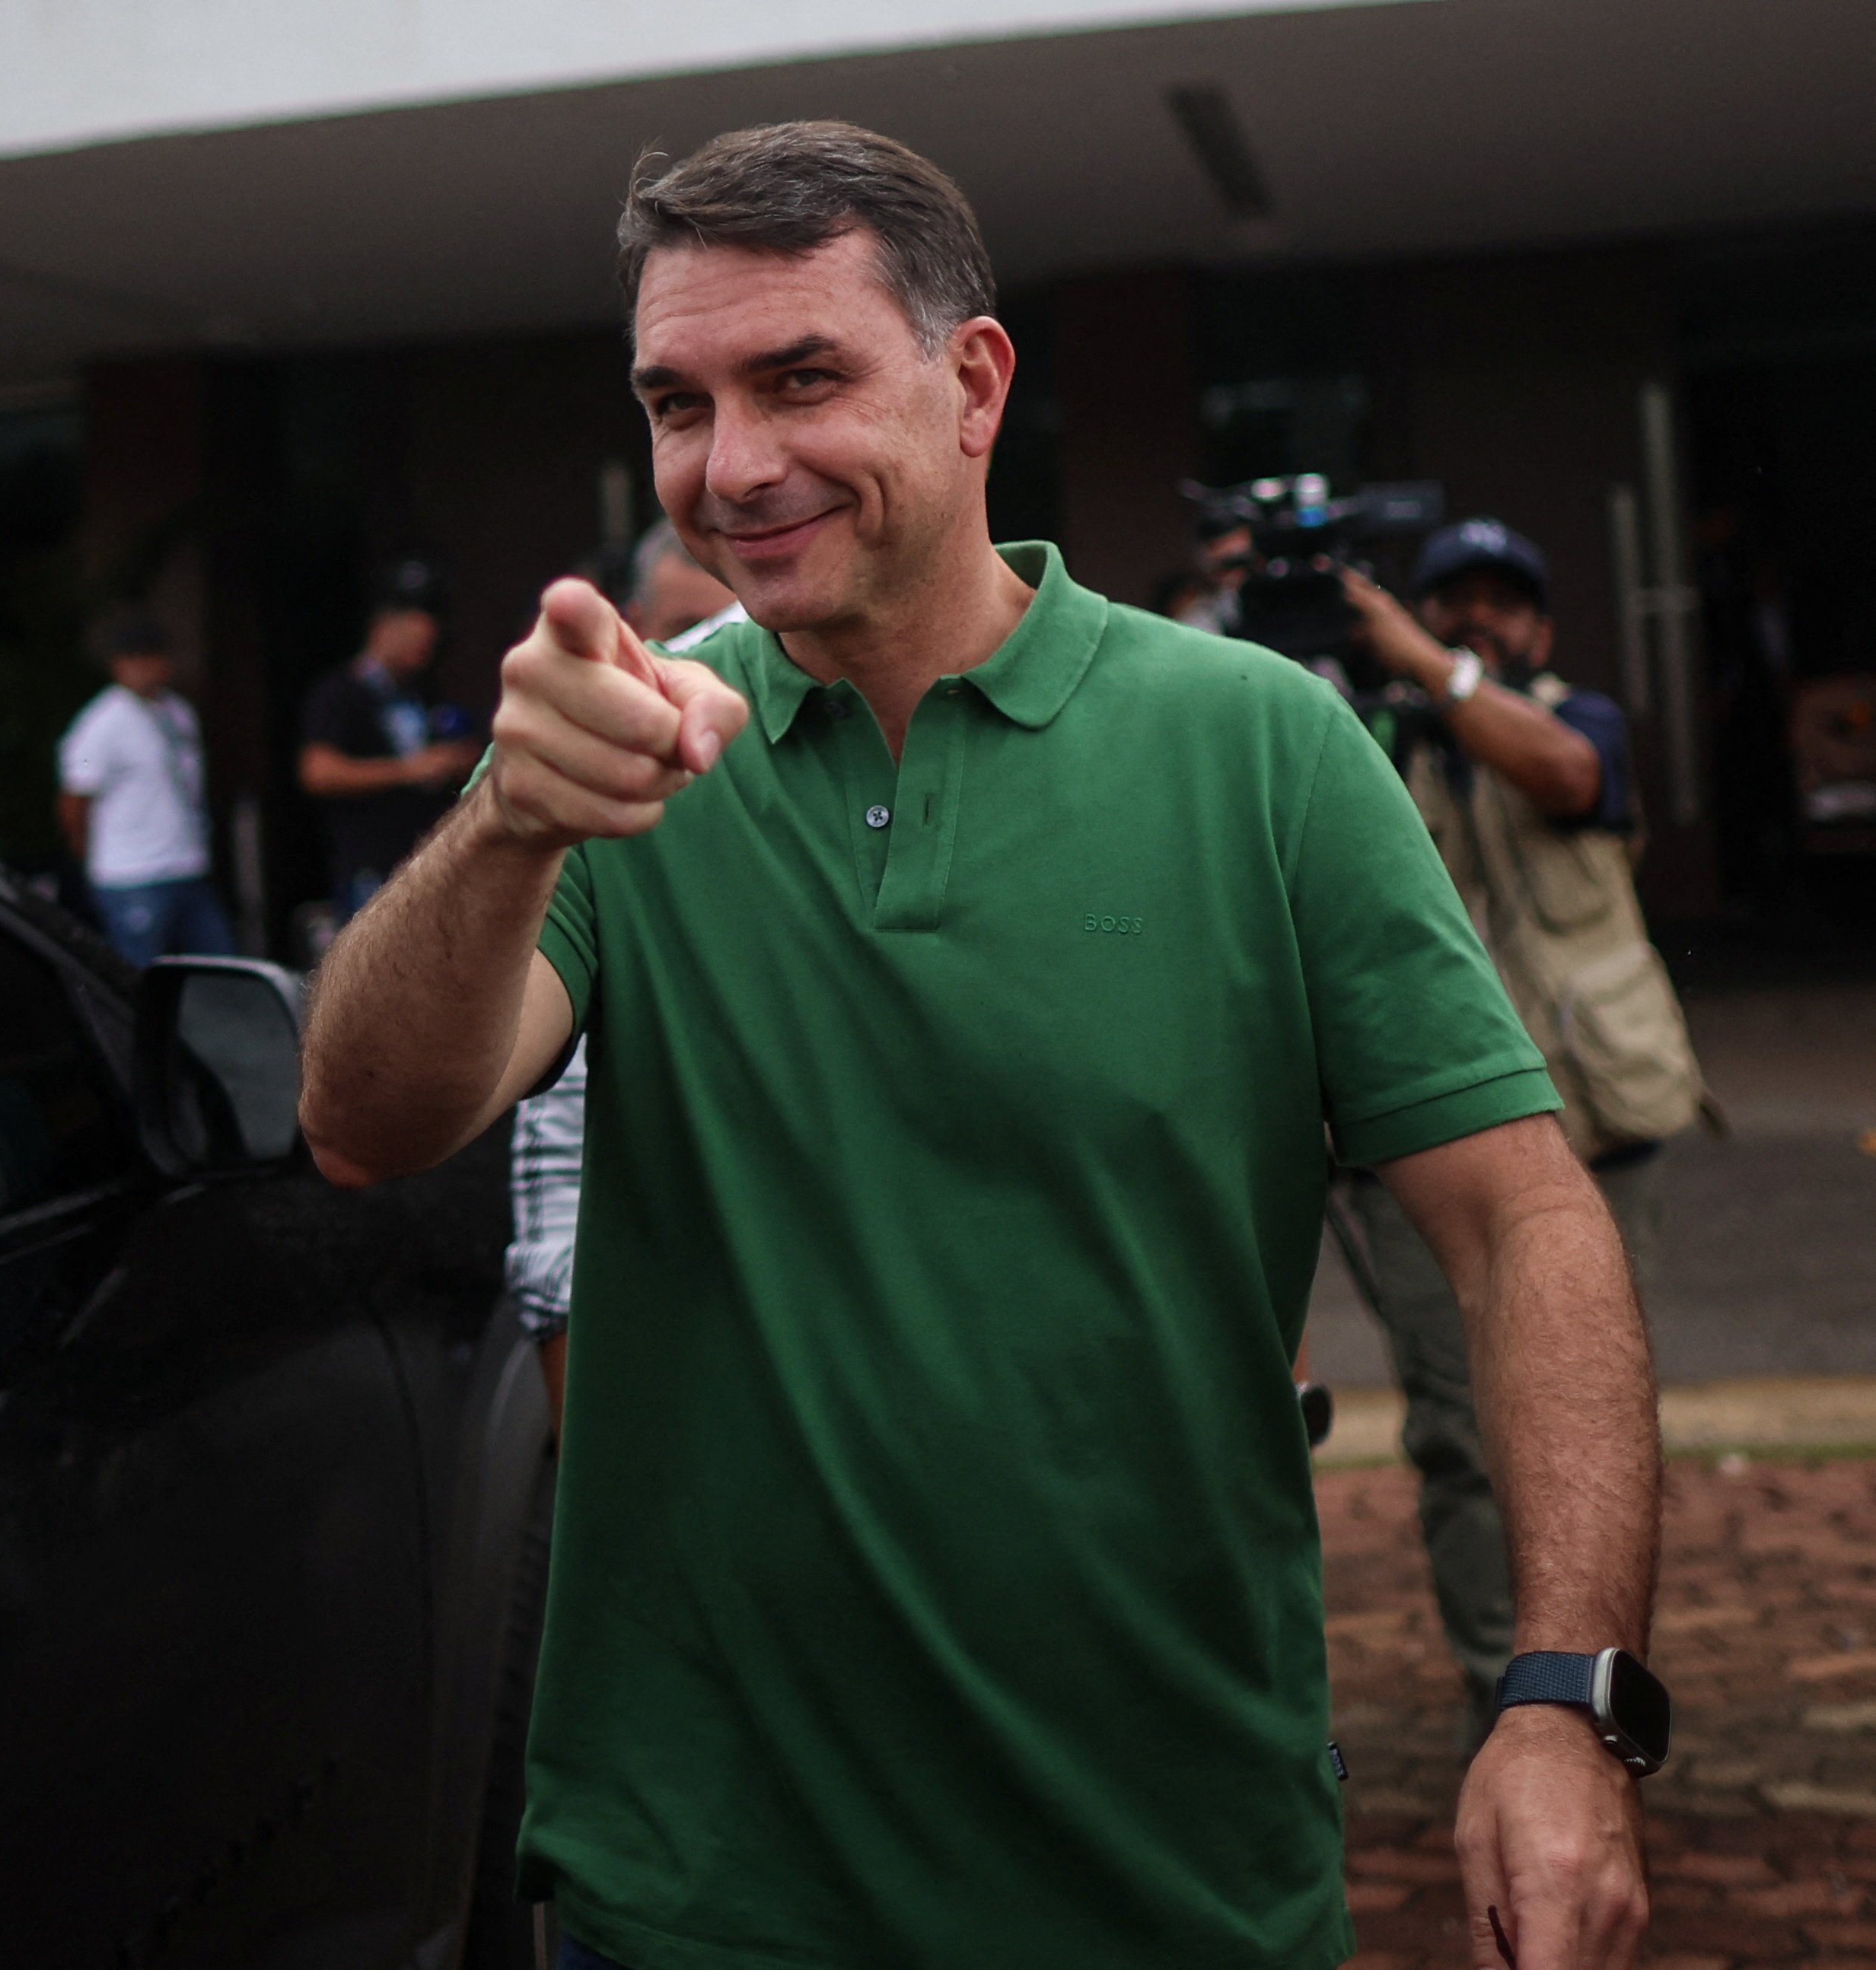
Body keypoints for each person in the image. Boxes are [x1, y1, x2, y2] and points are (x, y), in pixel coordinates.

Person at [301, 121, 1655, 1970]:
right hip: (696, 1892)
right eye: (677, 403)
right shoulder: (621, 750)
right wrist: (504, 826)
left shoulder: (1262, 745)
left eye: (800, 378)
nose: (731, 463)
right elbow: (366, 1122)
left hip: (1167, 1878)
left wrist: (1565, 1695)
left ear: (973, 384)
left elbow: (1522, 1223)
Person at [1340, 518, 1705, 1728]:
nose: (1476, 619)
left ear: (1541, 628)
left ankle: (1592, 1690)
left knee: (1594, 1419)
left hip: (1601, 1122)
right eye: (1452, 600)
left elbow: (1566, 777)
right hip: (1422, 1144)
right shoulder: (1363, 742)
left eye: (1503, 602)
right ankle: (1499, 1699)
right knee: (1457, 1433)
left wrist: (1429, 664)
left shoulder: (1578, 719)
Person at [508, 522, 741, 1435]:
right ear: (638, 628)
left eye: (739, 629)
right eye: (688, 634)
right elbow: (557, 1169)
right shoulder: (591, 797)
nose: (714, 667)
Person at [298, 559, 483, 912]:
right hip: (371, 872)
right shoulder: (341, 693)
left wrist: (456, 763)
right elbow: (318, 772)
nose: (424, 646)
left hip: (428, 866)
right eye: (415, 633)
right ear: (383, 626)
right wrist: (410, 770)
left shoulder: (423, 694)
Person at [56, 613, 232, 966]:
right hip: (133, 874)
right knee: (140, 971)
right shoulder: (102, 724)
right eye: (136, 658)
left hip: (187, 865)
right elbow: (76, 795)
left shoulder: (178, 712)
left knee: (220, 966)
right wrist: (89, 855)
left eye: (154, 656)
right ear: (118, 665)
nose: (148, 667)